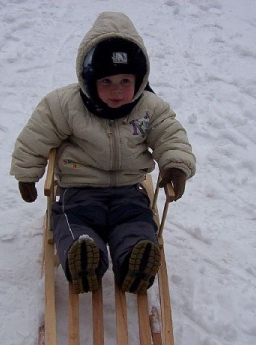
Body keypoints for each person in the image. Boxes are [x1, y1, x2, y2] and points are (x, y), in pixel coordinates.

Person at [10, 11, 196, 294]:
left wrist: (176, 166)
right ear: (89, 78)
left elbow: (170, 135)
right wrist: (27, 174)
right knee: (72, 222)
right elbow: (36, 136)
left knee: (137, 221)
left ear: (140, 78)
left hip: (128, 190)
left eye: (125, 80)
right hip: (79, 189)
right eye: (106, 81)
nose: (116, 91)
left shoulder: (150, 107)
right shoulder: (65, 104)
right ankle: (83, 257)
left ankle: (135, 261)